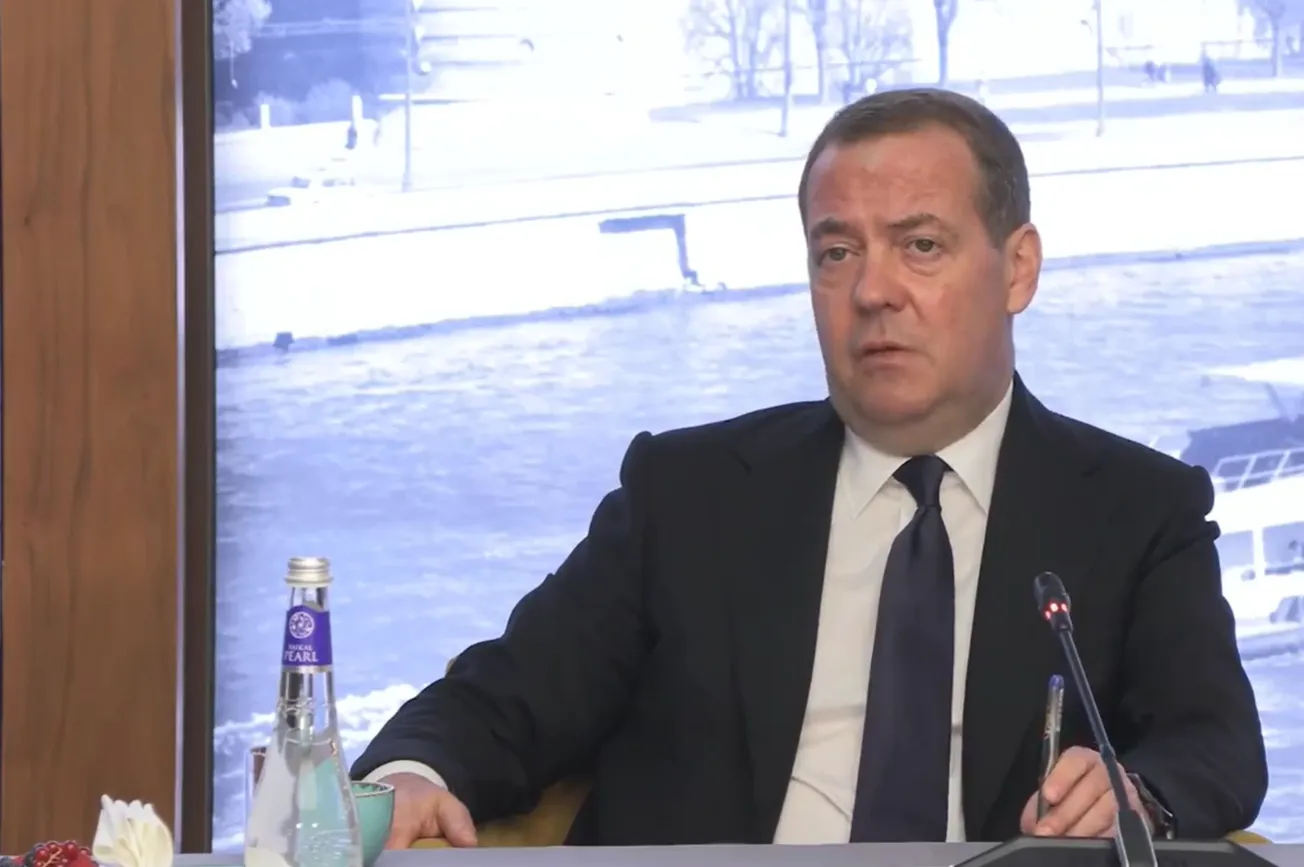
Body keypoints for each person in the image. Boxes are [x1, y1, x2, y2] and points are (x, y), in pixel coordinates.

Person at [351, 88, 1267, 848]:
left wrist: (1138, 790)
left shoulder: (1137, 508)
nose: (873, 291)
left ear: (1018, 268)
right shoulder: (690, 493)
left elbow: (1214, 741)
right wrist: (409, 773)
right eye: (837, 252)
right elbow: (501, 699)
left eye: (920, 245)